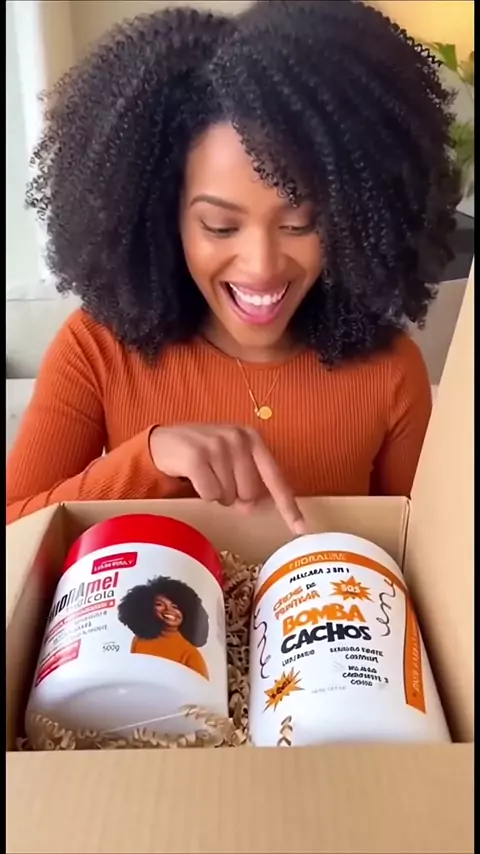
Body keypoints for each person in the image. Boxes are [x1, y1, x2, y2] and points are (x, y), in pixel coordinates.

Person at [6, 0, 458, 530]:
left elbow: (425, 551)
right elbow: (13, 533)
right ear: (163, 214)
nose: (261, 266)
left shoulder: (391, 371)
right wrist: (148, 460)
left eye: (300, 224)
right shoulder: (97, 349)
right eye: (220, 227)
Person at [117, 576, 210, 680]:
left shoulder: (189, 653)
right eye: (159, 604)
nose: (168, 610)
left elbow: (202, 686)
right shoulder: (138, 640)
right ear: (147, 607)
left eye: (175, 607)